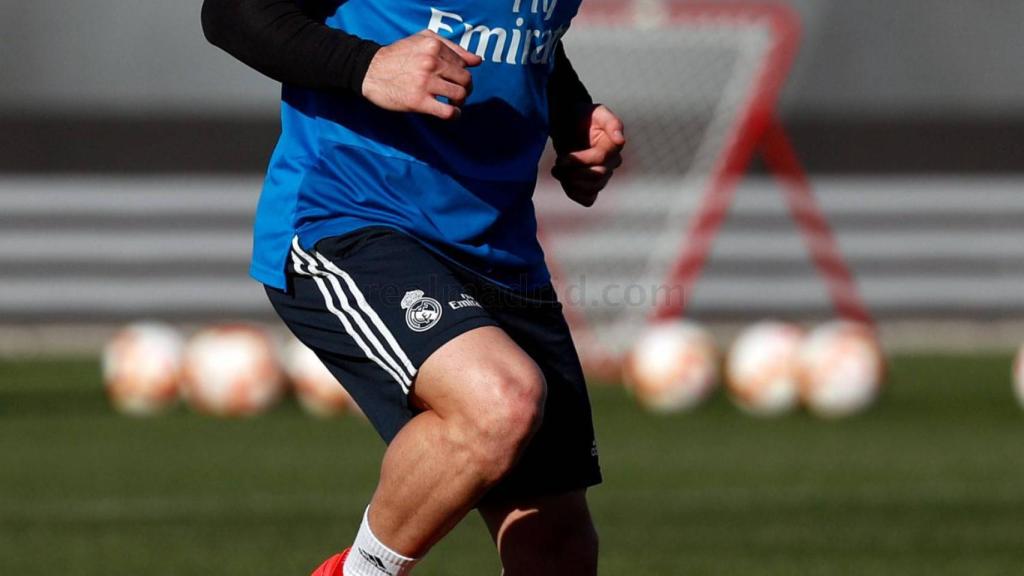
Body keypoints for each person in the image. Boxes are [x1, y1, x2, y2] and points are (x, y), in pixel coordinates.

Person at [201, 1, 625, 574]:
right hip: (353, 215)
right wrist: (368, 66)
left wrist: (570, 112)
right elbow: (233, 12)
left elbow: (526, 34)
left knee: (556, 546)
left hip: (501, 245)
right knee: (500, 401)